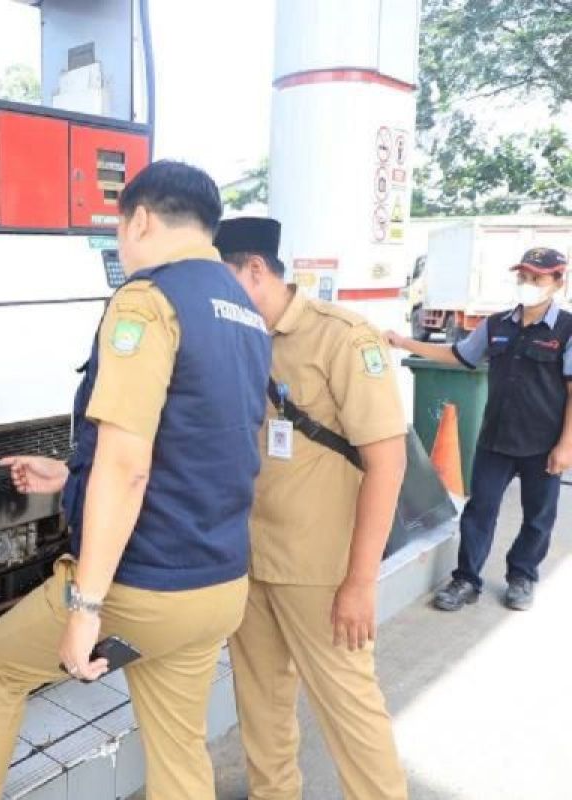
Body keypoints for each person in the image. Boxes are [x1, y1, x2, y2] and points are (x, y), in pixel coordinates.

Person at [0, 161, 271, 800]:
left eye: (119, 230)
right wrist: (72, 474)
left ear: (143, 219)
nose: (121, 246)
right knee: (180, 755)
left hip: (143, 588)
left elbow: (128, 468)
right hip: (218, 583)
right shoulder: (244, 308)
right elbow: (195, 441)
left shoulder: (148, 300)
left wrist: (85, 608)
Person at [218, 217, 409, 800]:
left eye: (221, 278)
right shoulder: (234, 335)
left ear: (255, 270)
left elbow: (388, 462)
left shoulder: (343, 338)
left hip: (320, 571)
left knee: (350, 711)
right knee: (261, 706)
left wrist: (360, 581)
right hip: (250, 560)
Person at [386, 247, 572, 612]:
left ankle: (522, 575)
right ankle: (466, 579)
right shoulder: (496, 324)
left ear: (558, 282)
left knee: (538, 516)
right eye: (524, 277)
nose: (528, 284)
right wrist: (405, 343)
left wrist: (566, 446)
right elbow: (459, 355)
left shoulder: (567, 329)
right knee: (479, 511)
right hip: (495, 440)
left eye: (537, 278)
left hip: (543, 443)